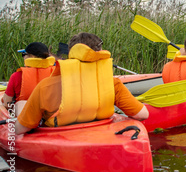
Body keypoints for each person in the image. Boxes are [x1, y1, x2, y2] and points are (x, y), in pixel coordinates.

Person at [15, 33, 149, 135]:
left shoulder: (46, 86)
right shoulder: (113, 83)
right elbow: (142, 115)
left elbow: (21, 129)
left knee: (20, 103)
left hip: (61, 137)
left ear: (71, 53)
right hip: (101, 134)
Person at [2, 42, 56, 116]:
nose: (23, 57)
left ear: (31, 57)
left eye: (24, 54)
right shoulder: (56, 73)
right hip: (50, 115)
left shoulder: (16, 76)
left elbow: (7, 104)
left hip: (26, 117)